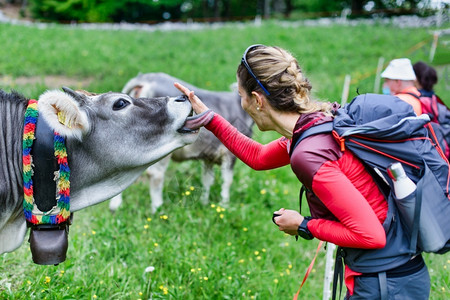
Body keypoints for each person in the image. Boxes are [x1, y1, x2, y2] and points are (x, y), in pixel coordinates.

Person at [175, 45, 430, 299]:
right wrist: (209, 118)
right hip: (396, 275)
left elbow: (371, 236)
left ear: (258, 100)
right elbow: (259, 157)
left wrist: (304, 225)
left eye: (242, 95)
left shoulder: (308, 154)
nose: (242, 105)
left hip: (385, 285)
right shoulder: (315, 125)